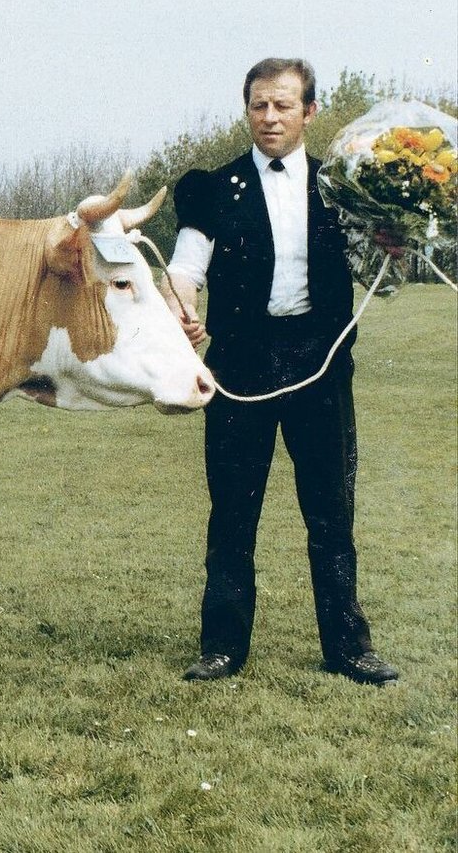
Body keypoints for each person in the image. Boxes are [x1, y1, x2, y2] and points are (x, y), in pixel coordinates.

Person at [160, 57, 399, 686]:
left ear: (309, 112)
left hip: (321, 367)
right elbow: (185, 268)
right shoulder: (214, 188)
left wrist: (394, 246)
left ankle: (348, 647)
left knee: (330, 511)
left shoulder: (343, 188)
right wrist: (181, 306)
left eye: (283, 105)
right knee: (233, 512)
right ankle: (222, 647)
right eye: (259, 105)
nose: (270, 117)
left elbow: (386, 277)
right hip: (241, 367)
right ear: (248, 110)